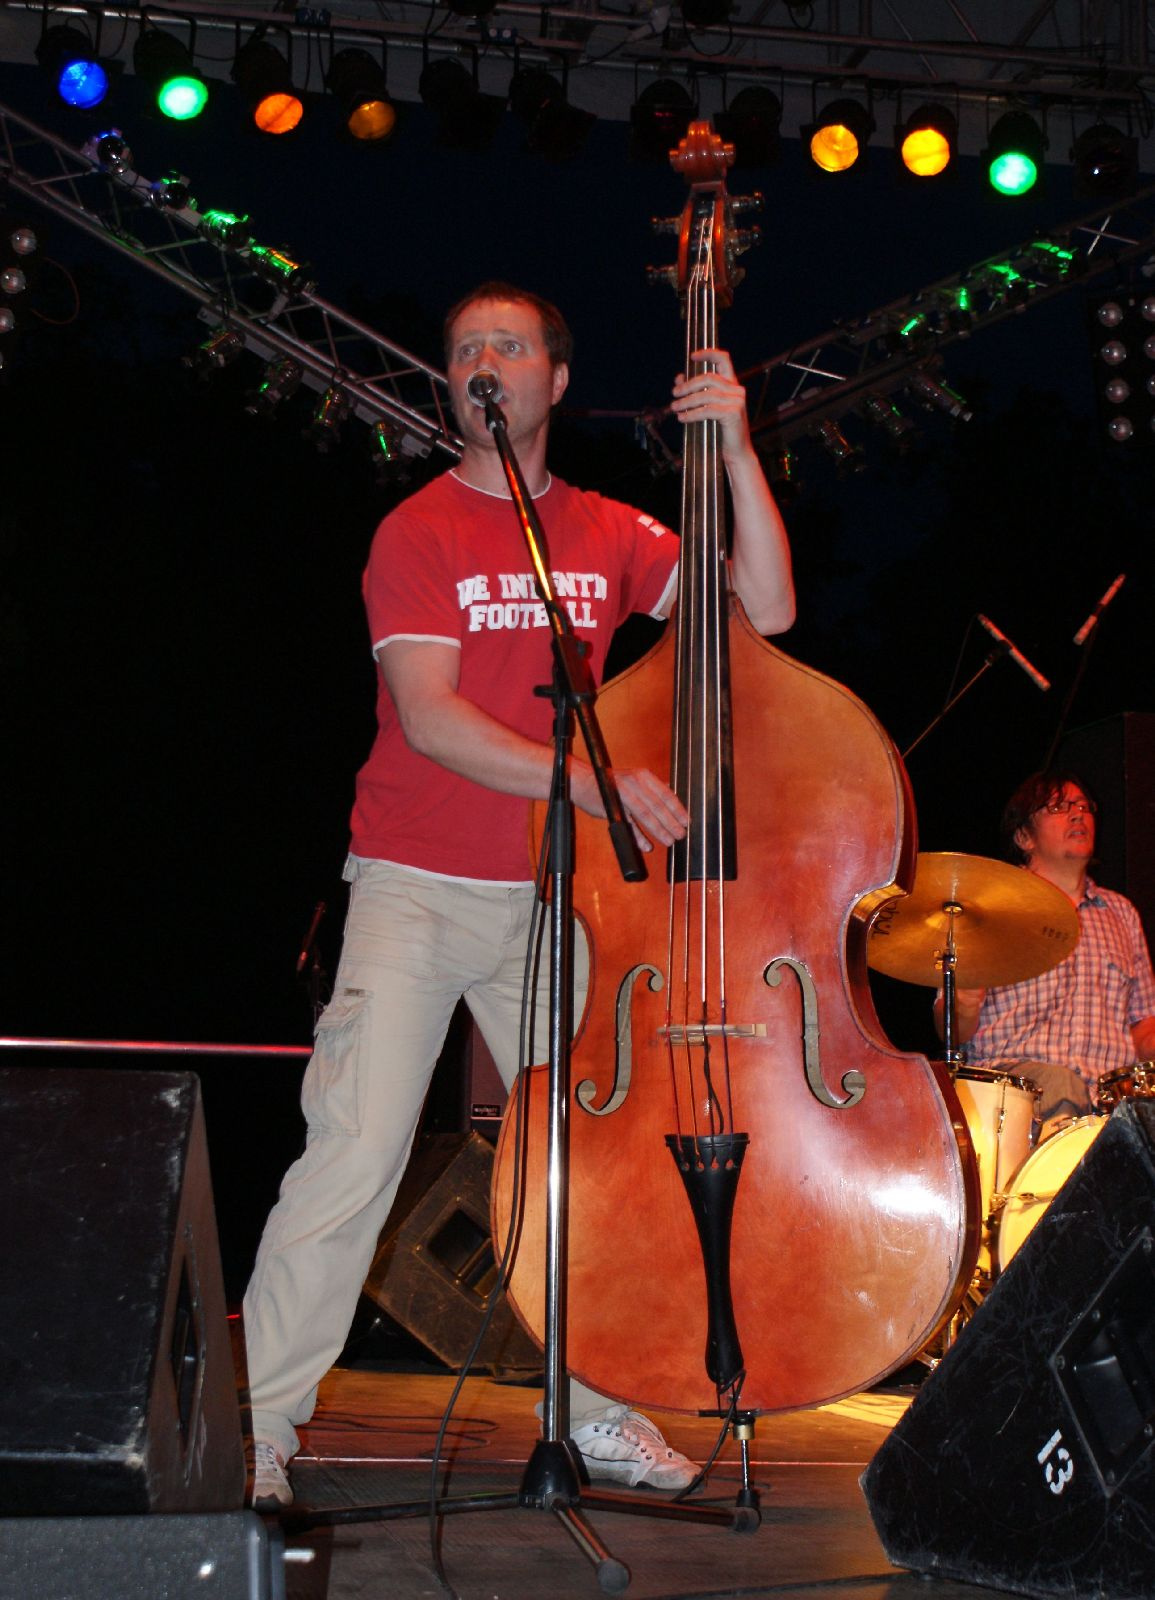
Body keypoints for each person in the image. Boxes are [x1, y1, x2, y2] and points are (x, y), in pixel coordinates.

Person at [243, 282, 796, 1510]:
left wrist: (740, 449)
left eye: (505, 344)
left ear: (552, 378)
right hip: (415, 885)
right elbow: (433, 720)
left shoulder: (603, 532)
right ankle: (261, 1419)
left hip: (551, 906)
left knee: (582, 1170)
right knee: (356, 1150)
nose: (480, 361)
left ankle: (596, 1412)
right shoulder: (416, 533)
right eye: (460, 350)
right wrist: (597, 783)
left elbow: (765, 607)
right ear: (453, 386)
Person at [944, 770, 1155, 1135]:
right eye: (1059, 807)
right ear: (1024, 836)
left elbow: (1142, 1028)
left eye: (1084, 806)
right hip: (1013, 1096)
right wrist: (961, 999)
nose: (1077, 814)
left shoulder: (1121, 913)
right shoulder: (994, 908)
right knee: (1062, 1087)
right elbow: (954, 1028)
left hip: (1106, 1105)